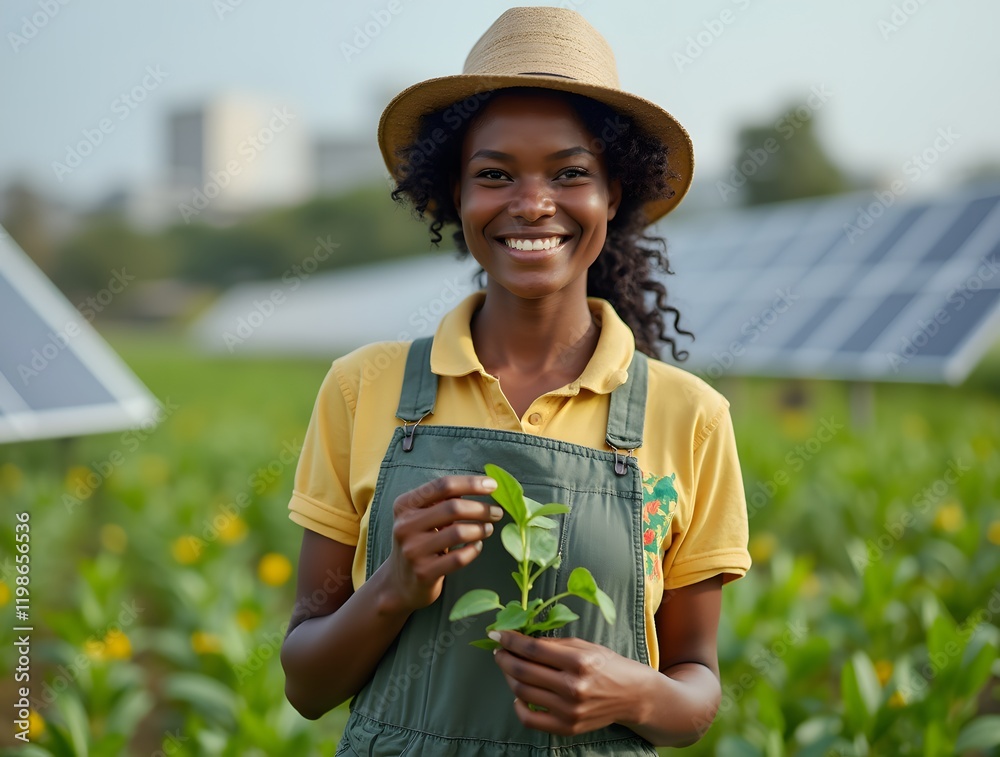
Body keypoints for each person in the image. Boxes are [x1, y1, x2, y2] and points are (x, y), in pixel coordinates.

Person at [280, 7, 751, 755]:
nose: (532, 204)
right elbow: (305, 684)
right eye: (494, 174)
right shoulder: (360, 388)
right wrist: (393, 585)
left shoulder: (690, 416)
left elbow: (696, 686)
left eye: (570, 173)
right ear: (455, 196)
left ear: (613, 194)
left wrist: (634, 689)